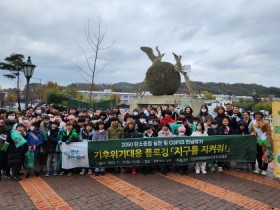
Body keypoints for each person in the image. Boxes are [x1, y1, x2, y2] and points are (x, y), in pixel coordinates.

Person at [251, 111, 273, 176]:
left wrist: (268, 142)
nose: (257, 116)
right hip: (257, 141)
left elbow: (269, 132)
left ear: (262, 116)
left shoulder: (266, 123)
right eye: (256, 115)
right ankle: (260, 168)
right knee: (258, 156)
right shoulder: (253, 123)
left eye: (259, 115)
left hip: (264, 141)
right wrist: (252, 133)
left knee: (266, 155)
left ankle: (265, 169)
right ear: (254, 116)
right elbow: (253, 131)